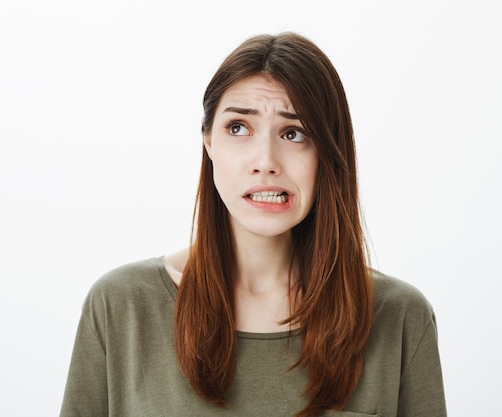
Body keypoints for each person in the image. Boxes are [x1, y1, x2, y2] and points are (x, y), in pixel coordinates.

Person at [59, 32, 447, 417]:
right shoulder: (121, 307)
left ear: (329, 152)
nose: (265, 161)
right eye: (238, 128)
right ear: (209, 144)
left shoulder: (399, 318)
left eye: (294, 133)